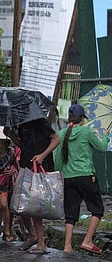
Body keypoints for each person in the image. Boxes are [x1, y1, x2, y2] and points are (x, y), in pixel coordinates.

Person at [54, 104, 110, 254]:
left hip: (68, 178)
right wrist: (106, 135)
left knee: (71, 213)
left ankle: (67, 246)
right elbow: (102, 148)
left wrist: (60, 176)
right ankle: (87, 240)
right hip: (86, 176)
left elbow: (58, 159)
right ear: (82, 119)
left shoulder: (62, 133)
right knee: (97, 209)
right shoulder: (86, 132)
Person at [5, 117, 60, 254]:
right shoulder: (20, 124)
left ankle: (41, 242)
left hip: (41, 166)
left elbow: (56, 139)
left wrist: (42, 155)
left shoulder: (40, 121)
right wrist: (12, 136)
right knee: (20, 204)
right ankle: (32, 234)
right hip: (26, 165)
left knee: (36, 205)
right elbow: (25, 145)